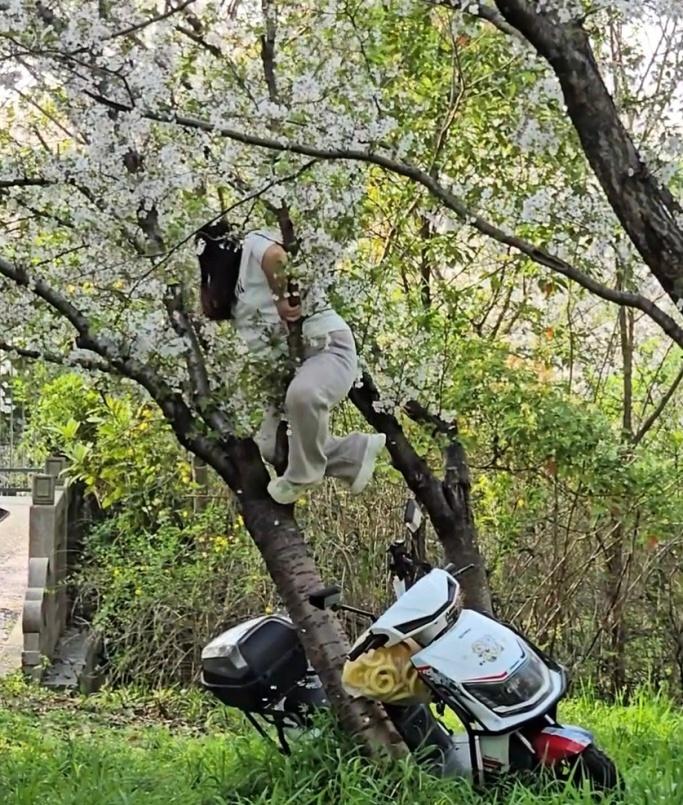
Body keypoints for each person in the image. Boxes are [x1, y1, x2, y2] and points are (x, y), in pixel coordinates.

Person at [195, 219, 386, 505]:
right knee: (270, 445)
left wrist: (281, 298)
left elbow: (276, 256)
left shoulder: (252, 244)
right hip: (287, 371)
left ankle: (303, 475)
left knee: (304, 395)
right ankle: (352, 453)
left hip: (326, 347)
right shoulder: (232, 291)